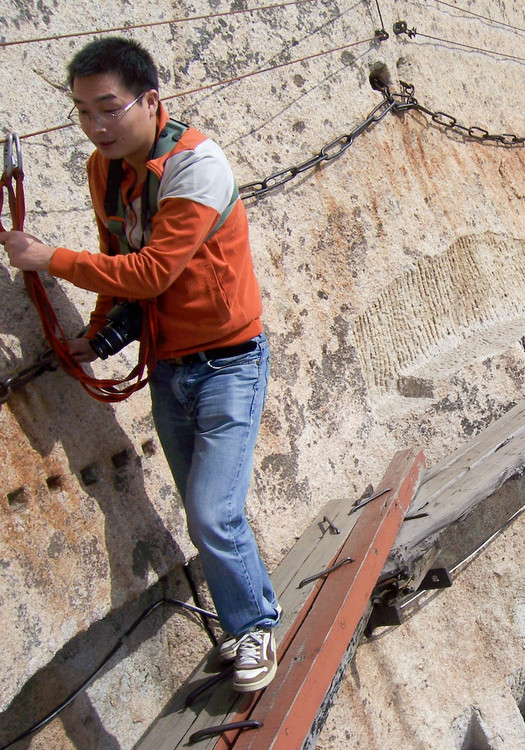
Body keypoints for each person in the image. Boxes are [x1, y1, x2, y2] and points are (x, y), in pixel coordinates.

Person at [0, 37, 280, 692]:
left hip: (230, 363)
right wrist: (94, 338)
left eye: (108, 109)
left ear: (149, 100)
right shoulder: (109, 170)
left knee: (213, 514)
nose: (96, 127)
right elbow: (116, 261)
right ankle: (249, 623)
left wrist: (48, 258)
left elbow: (151, 272)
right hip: (170, 364)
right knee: (204, 511)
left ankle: (257, 627)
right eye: (82, 112)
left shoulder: (196, 166)